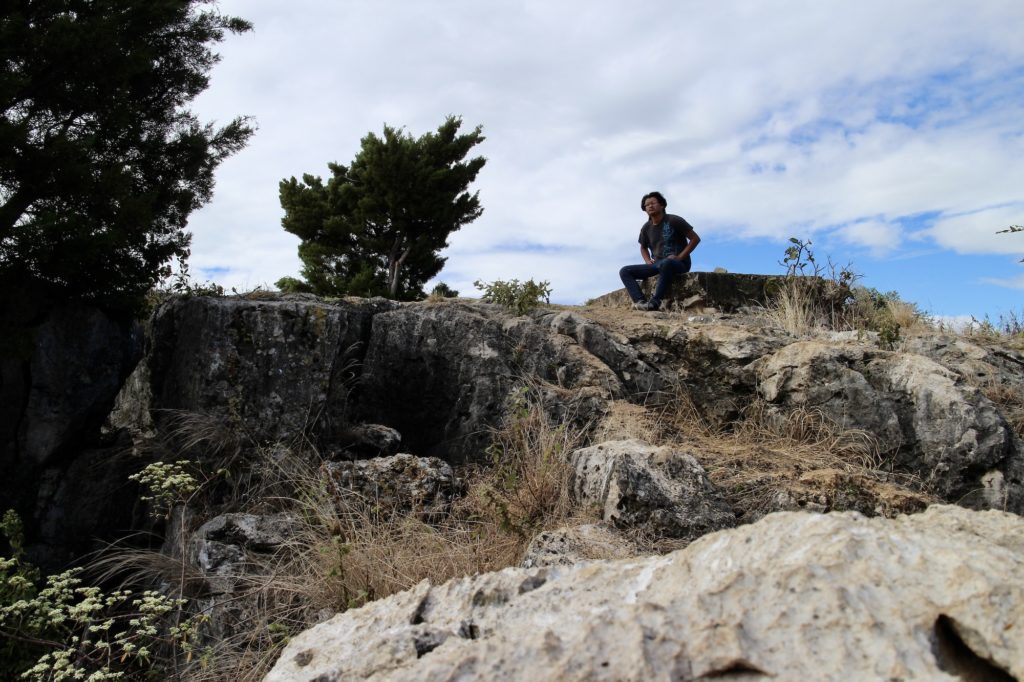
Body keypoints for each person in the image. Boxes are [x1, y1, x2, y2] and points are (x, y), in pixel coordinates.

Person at [618, 191, 701, 311]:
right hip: (657, 264)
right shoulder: (646, 227)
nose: (650, 206)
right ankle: (640, 302)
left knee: (666, 263)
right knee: (625, 271)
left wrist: (680, 257)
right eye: (647, 205)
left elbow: (695, 239)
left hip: (678, 264)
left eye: (653, 203)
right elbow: (643, 247)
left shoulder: (674, 220)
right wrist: (647, 260)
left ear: (662, 205)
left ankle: (655, 302)